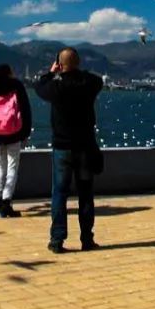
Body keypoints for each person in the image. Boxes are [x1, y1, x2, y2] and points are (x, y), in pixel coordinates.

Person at [36, 48, 104, 254]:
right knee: (85, 194)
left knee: (59, 194)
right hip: (84, 147)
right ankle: (87, 239)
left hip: (62, 148)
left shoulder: (55, 87)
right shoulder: (89, 84)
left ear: (60, 64)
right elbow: (97, 79)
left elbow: (39, 86)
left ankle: (57, 240)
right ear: (79, 63)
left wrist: (52, 72)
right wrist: (75, 70)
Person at [0, 64, 32, 218]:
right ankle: (6, 203)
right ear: (9, 73)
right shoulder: (17, 86)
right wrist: (26, 132)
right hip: (14, 133)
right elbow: (25, 110)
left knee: (1, 167)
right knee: (12, 168)